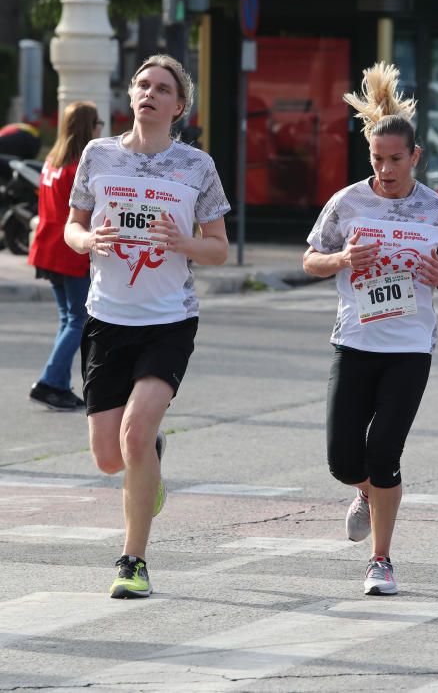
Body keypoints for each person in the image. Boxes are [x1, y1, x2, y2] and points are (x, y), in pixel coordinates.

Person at [64, 55, 230, 599]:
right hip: (107, 318)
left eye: (163, 88)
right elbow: (71, 225)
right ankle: (150, 464)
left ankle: (133, 561)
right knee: (110, 457)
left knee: (133, 433)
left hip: (168, 321)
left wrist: (184, 243)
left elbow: (219, 249)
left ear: (178, 106)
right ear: (130, 95)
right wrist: (88, 242)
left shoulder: (196, 167)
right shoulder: (98, 154)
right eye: (142, 85)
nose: (150, 94)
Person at [303, 62, 438, 596]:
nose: (387, 169)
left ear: (415, 156)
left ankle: (381, 559)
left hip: (409, 348)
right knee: (342, 459)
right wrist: (342, 259)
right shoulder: (348, 202)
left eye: (396, 159)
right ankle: (368, 492)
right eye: (378, 159)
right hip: (353, 342)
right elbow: (310, 259)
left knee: (384, 453)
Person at [27, 102, 102, 411]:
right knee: (78, 320)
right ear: (88, 127)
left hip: (46, 247)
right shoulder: (78, 167)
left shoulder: (52, 161)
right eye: (97, 123)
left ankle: (57, 382)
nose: (101, 128)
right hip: (67, 251)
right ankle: (49, 382)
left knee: (69, 318)